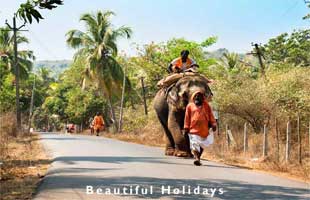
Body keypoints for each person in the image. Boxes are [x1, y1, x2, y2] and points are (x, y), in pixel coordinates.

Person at [184, 91, 217, 166]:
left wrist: (214, 124)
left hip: (204, 130)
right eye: (195, 96)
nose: (197, 97)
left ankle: (198, 157)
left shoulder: (206, 106)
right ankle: (196, 158)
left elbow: (211, 115)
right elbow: (187, 117)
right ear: (193, 97)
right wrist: (186, 127)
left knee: (202, 145)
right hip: (193, 129)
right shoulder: (190, 106)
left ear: (203, 98)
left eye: (199, 96)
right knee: (195, 144)